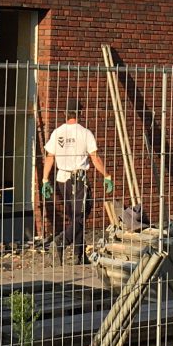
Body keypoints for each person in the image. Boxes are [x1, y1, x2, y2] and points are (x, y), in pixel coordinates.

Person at [39, 106, 113, 259]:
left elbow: (50, 157)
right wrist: (107, 176)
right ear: (80, 113)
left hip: (62, 179)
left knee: (74, 217)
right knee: (81, 214)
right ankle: (62, 241)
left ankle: (79, 255)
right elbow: (95, 157)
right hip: (78, 180)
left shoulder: (57, 132)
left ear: (64, 113)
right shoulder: (85, 133)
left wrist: (45, 179)